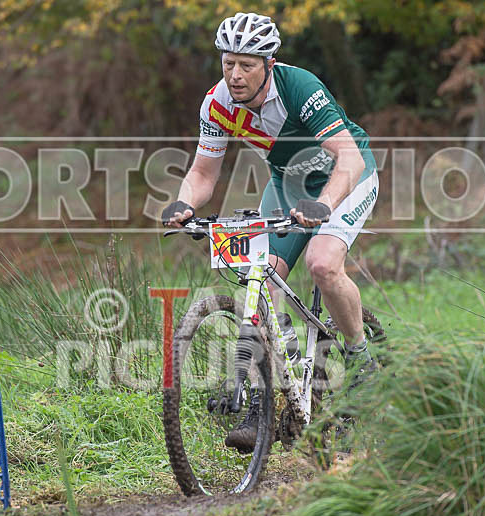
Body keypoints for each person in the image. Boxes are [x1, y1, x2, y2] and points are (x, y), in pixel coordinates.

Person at [162, 12, 379, 452]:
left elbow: (349, 160)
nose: (235, 75)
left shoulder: (300, 88)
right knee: (259, 277)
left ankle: (360, 358)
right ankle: (264, 402)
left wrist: (325, 205)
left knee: (322, 263)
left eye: (246, 65)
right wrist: (185, 202)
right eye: (228, 64)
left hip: (346, 178)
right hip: (287, 183)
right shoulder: (217, 104)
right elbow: (203, 173)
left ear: (269, 63)